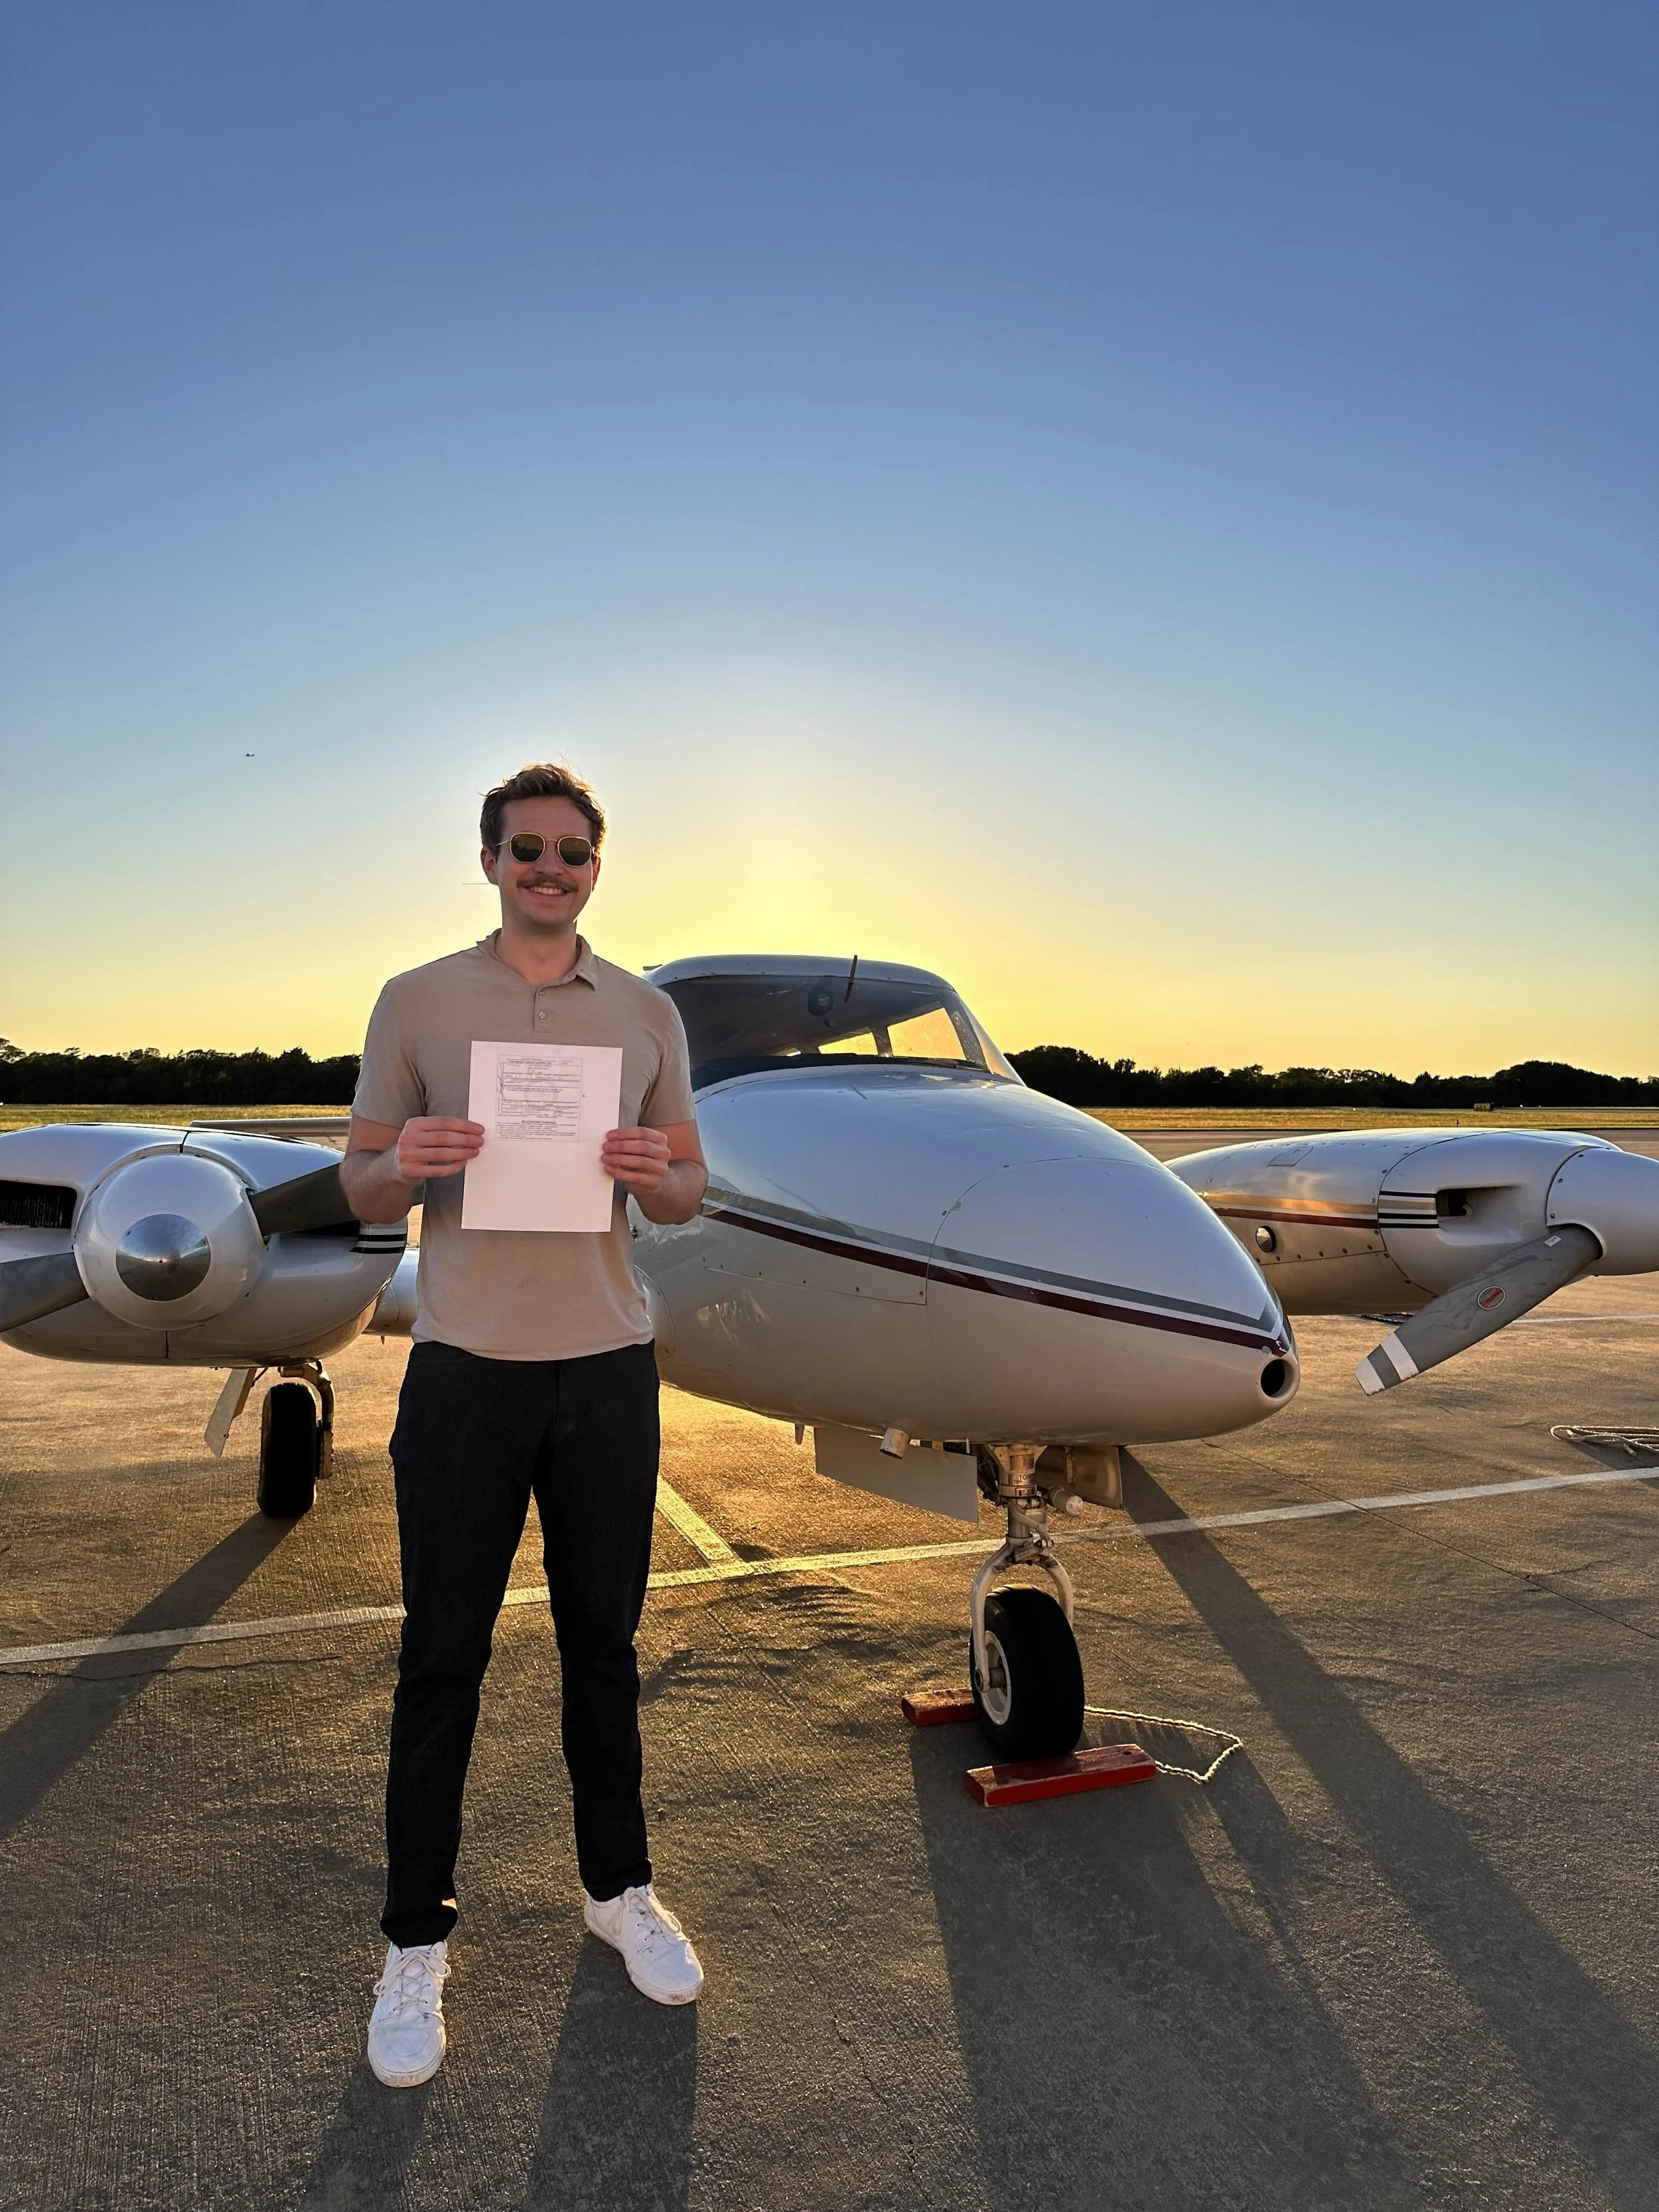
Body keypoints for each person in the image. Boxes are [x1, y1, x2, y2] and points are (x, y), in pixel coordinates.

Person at [340, 761, 709, 2090]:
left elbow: (687, 1189)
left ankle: (618, 1889)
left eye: (571, 853)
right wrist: (410, 1166)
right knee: (440, 1662)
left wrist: (647, 1171)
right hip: (466, 1375)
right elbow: (360, 1170)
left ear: (595, 866)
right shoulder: (419, 1000)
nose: (549, 871)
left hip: (605, 1369)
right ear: (489, 860)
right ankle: (413, 1940)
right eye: (526, 851)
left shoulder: (646, 1013)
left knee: (599, 1648)